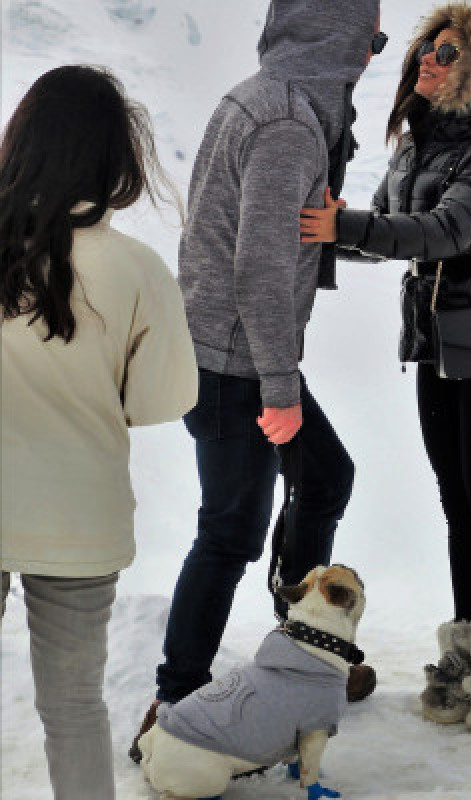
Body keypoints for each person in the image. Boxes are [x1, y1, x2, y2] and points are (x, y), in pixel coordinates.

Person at [130, 0, 385, 762]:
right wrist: (278, 386)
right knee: (230, 531)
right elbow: (260, 266)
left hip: (226, 350)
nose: (372, 57)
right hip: (237, 364)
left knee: (325, 475)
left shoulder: (264, 96)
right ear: (337, 39)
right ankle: (173, 704)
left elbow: (274, 236)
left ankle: (301, 653)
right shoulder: (287, 124)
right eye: (369, 40)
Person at [299, 2, 471, 739]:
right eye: (427, 53)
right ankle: (470, 653)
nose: (427, 64)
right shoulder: (413, 148)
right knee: (456, 498)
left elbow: (441, 233)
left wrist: (340, 227)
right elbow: (384, 232)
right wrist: (319, 234)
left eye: (446, 55)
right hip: (436, 336)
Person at [0, 65, 197, 800]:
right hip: (80, 522)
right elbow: (160, 402)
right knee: (74, 709)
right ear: (118, 159)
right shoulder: (138, 270)